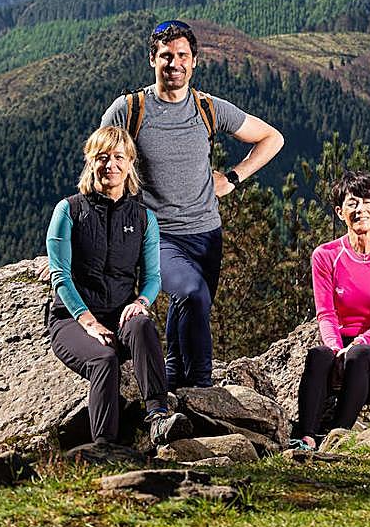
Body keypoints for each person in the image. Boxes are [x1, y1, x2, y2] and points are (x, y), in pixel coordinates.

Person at [101, 20, 284, 390]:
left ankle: (172, 381)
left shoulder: (207, 108)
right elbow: (99, 166)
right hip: (157, 235)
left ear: (195, 61)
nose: (174, 64)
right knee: (190, 292)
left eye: (182, 56)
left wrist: (232, 179)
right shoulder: (129, 110)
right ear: (152, 59)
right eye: (166, 56)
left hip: (206, 234)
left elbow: (271, 138)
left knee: (192, 305)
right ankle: (202, 387)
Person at [46, 126, 192, 447]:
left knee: (141, 325)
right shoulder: (69, 211)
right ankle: (105, 446)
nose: (110, 165)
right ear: (90, 162)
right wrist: (89, 322)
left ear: (129, 164)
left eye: (118, 158)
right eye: (102, 158)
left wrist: (141, 301)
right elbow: (60, 276)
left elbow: (152, 278)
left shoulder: (143, 218)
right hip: (71, 320)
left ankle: (157, 417)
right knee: (104, 358)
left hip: (120, 314)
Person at [292, 171, 370, 450]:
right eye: (352, 203)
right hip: (340, 345)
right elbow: (326, 314)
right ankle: (306, 437)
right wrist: (336, 350)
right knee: (318, 355)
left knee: (358, 355)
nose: (360, 209)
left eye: (368, 201)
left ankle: (337, 437)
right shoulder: (325, 256)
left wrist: (358, 344)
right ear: (339, 212)